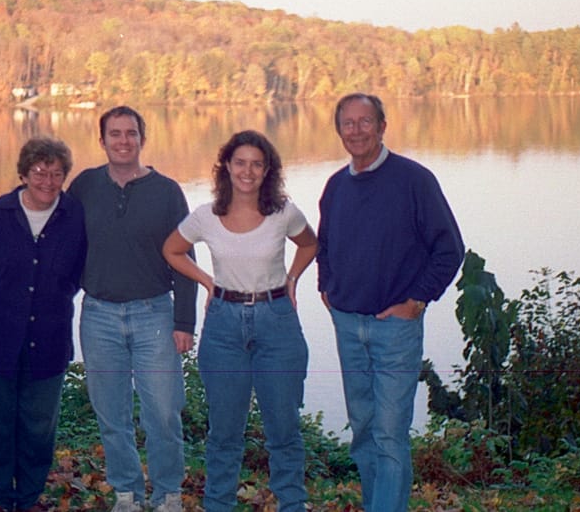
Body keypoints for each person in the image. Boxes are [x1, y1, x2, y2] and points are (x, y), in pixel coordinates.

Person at [317, 93, 465, 512]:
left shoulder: (414, 180)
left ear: (383, 126)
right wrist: (326, 286)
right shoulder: (336, 186)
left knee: (390, 433)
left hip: (394, 328)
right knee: (363, 430)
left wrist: (417, 300)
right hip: (348, 325)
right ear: (339, 130)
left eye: (366, 122)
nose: (357, 130)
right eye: (348, 123)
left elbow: (449, 249)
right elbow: (325, 244)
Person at [163, 129, 317, 512]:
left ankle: (292, 505)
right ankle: (219, 505)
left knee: (283, 430)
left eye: (257, 164)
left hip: (276, 323)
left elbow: (310, 244)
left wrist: (293, 279)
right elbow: (173, 250)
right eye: (240, 162)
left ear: (268, 171)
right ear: (227, 167)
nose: (248, 171)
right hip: (224, 327)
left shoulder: (283, 212)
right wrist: (207, 283)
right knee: (225, 433)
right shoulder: (206, 216)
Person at [67, 106, 196, 512]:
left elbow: (184, 258)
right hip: (99, 315)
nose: (123, 141)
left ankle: (167, 494)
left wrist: (184, 322)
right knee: (111, 414)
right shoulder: (85, 186)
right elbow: (64, 245)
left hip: (154, 314)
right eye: (115, 134)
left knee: (163, 413)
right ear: (101, 140)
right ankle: (127, 493)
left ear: (143, 139)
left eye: (131, 133)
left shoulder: (167, 191)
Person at [0, 135, 87, 512]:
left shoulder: (74, 216)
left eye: (57, 173)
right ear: (23, 174)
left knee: (38, 428)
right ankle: (2, 497)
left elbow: (79, 270)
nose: (48, 181)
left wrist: (56, 295)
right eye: (39, 172)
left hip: (48, 340)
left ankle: (29, 498)